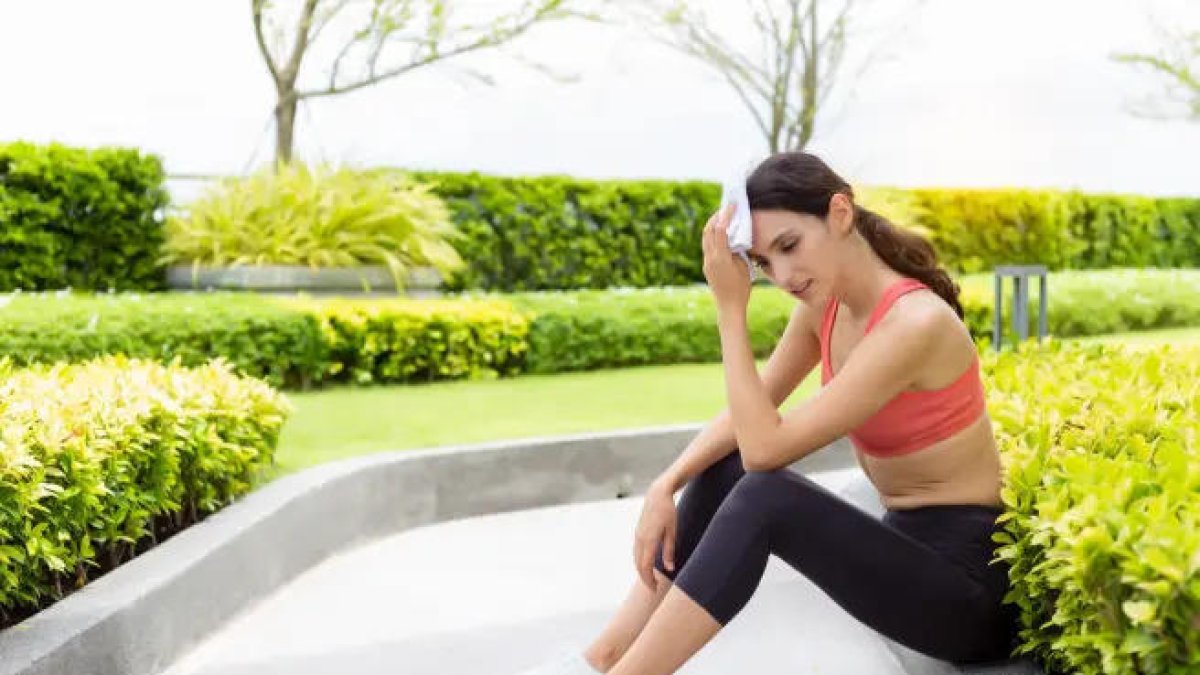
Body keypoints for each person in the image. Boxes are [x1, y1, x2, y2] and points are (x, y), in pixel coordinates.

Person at [516, 152, 1020, 675]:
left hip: (966, 587)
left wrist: (730, 312)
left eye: (789, 246)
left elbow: (765, 450)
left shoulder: (913, 324)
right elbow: (746, 424)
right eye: (763, 262)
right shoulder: (825, 309)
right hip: (905, 549)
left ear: (840, 213)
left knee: (765, 493)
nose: (781, 275)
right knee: (726, 468)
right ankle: (600, 659)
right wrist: (665, 485)